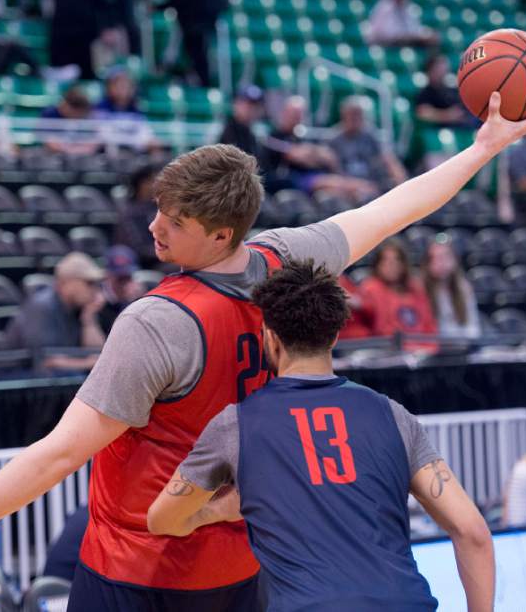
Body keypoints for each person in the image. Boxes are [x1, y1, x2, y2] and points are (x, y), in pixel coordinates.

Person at [0, 91, 526, 610]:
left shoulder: (155, 322)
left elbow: (60, 451)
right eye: (158, 209)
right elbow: (394, 209)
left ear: (221, 232)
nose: (154, 226)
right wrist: (485, 147)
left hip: (138, 570)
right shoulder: (286, 257)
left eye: (175, 222)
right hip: (241, 566)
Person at [146, 259, 494, 612]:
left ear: (270, 336)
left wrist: (218, 511)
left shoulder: (237, 423)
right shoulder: (392, 414)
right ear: (335, 334)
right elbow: (473, 533)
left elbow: (162, 520)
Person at [2, 252, 114, 373]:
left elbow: (97, 353)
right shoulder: (42, 306)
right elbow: (48, 362)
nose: (95, 290)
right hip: (17, 380)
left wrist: (89, 320)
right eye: (89, 283)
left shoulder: (81, 308)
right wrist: (90, 363)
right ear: (66, 283)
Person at [8, 0, 116, 80]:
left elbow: (104, 5)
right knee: (59, 74)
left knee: (86, 75)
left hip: (85, 34)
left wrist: (107, 27)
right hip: (61, 33)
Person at [264, 96, 379, 201]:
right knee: (333, 183)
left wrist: (312, 154)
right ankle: (361, 185)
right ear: (284, 113)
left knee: (342, 194)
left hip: (309, 177)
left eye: (299, 114)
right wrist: (313, 154)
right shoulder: (275, 135)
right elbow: (298, 156)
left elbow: (327, 157)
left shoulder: (300, 135)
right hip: (290, 179)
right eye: (294, 113)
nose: (297, 118)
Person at [354, 238, 438, 351]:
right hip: (388, 354)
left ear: (403, 264)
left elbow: (429, 326)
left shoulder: (415, 287)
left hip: (422, 354)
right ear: (377, 264)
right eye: (386, 261)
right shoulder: (371, 288)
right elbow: (381, 328)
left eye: (396, 260)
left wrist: (429, 350)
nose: (391, 265)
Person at [164, 0, 228, 85]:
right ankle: (192, 78)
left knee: (199, 54)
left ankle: (203, 82)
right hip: (187, 20)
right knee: (192, 52)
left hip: (202, 19)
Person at [329, 95, 407, 189]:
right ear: (343, 115)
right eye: (352, 115)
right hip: (346, 184)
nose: (355, 118)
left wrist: (401, 179)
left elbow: (387, 158)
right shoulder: (334, 139)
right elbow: (334, 170)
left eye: (358, 115)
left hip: (372, 182)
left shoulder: (370, 135)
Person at [422, 234, 481, 339]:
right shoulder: (421, 288)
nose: (441, 263)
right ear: (428, 263)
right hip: (433, 346)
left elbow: (473, 327)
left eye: (446, 257)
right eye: (436, 258)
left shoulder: (464, 287)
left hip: (461, 345)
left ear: (455, 260)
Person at [364, 0, 440, 48]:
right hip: (387, 44)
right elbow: (378, 33)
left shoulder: (410, 8)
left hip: (408, 41)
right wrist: (400, 36)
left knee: (432, 38)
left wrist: (427, 34)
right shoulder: (383, 6)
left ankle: (432, 62)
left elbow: (415, 29)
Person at [114, 162, 161, 268]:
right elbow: (138, 248)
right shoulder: (129, 212)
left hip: (160, 256)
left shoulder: (159, 208)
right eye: (153, 180)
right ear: (142, 183)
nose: (158, 185)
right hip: (142, 263)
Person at [414, 55, 474, 130]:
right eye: (438, 69)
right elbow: (422, 113)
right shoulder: (425, 93)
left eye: (444, 69)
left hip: (463, 126)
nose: (442, 73)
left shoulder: (451, 90)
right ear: (430, 71)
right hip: (441, 130)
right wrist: (447, 115)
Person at [217, 85, 264, 158]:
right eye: (248, 104)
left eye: (255, 105)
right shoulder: (222, 130)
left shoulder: (256, 134)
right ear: (236, 104)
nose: (252, 109)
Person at [101, 245, 143, 318]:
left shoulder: (139, 295)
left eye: (127, 277)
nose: (124, 283)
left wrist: (138, 301)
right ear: (108, 275)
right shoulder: (99, 299)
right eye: (120, 278)